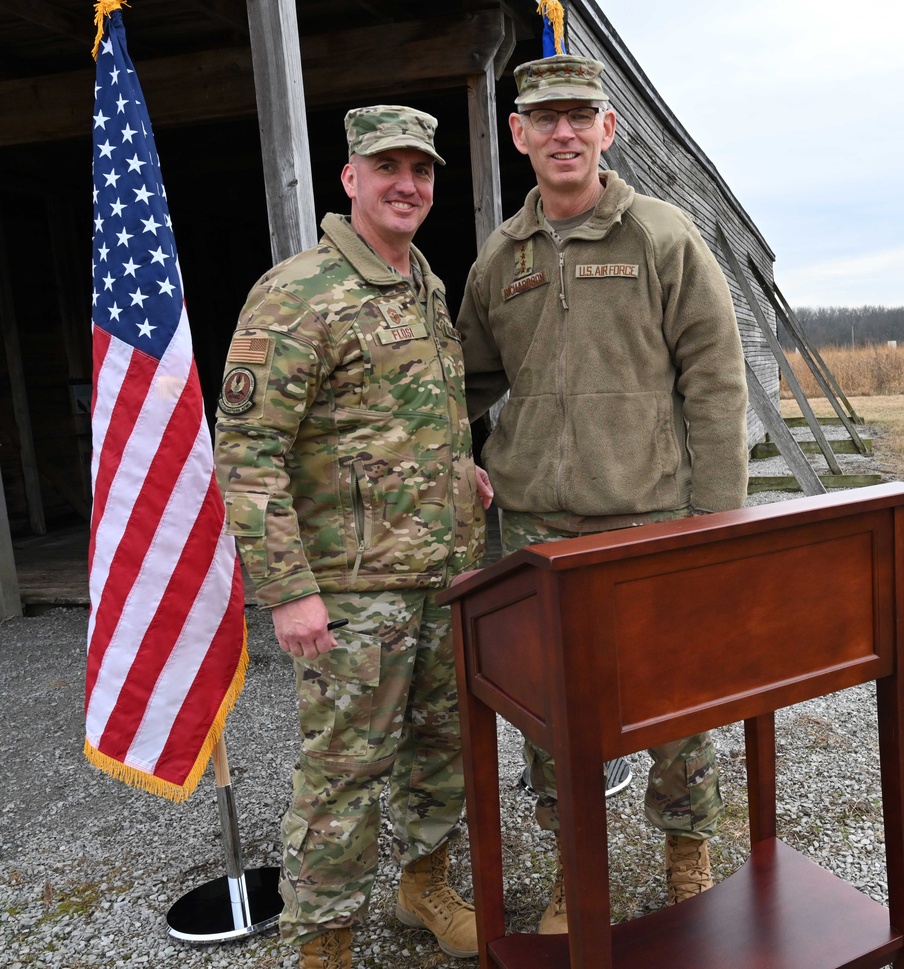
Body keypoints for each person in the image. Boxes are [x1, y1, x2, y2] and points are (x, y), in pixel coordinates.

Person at [455, 55, 749, 934]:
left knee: (675, 703)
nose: (564, 133)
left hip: (650, 518)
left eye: (580, 115)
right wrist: (439, 456)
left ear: (607, 129)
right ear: (519, 136)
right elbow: (462, 380)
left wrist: (716, 518)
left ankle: (685, 846)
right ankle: (571, 868)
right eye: (544, 120)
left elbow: (716, 377)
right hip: (538, 531)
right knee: (552, 715)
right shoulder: (500, 259)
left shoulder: (661, 235)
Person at [214, 104, 491, 969]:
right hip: (353, 593)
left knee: (442, 750)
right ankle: (323, 941)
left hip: (444, 575)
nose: (408, 185)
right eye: (388, 168)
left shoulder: (424, 282)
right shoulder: (297, 292)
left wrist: (461, 471)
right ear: (350, 179)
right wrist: (289, 589)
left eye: (423, 171)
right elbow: (248, 451)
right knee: (344, 772)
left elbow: (413, 414)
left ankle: (424, 885)